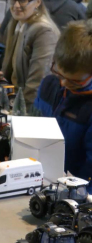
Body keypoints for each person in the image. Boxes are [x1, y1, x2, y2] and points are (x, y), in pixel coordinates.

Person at [34, 20, 92, 191]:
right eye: (59, 73)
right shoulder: (48, 86)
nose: (64, 83)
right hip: (40, 180)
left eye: (75, 81)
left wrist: (76, 194)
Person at [0, 0, 60, 108]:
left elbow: (37, 83)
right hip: (15, 101)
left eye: (23, 0)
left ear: (38, 2)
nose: (16, 6)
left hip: (31, 109)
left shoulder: (44, 32)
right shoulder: (17, 24)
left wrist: (21, 113)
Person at [0, 0, 86, 34]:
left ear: (38, 2)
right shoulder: (73, 6)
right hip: (68, 57)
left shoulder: (20, 7)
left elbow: (2, 34)